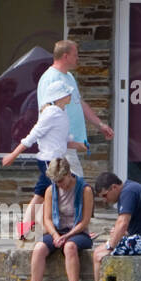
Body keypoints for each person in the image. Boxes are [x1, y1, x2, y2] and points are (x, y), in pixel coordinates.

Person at [3, 79, 86, 239]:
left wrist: (79, 145)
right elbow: (33, 135)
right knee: (52, 193)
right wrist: (13, 155)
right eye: (67, 93)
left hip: (54, 159)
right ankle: (38, 228)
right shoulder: (51, 113)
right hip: (50, 160)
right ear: (60, 96)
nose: (70, 95)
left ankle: (30, 229)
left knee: (43, 194)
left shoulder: (60, 112)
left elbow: (60, 139)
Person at [35, 39, 114, 183]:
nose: (78, 58)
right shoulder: (49, 79)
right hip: (61, 148)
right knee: (75, 188)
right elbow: (45, 114)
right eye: (75, 55)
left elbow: (79, 103)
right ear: (65, 56)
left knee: (62, 190)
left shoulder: (69, 77)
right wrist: (65, 143)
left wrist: (100, 125)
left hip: (68, 145)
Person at [26, 156, 95, 281]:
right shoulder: (51, 190)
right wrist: (56, 235)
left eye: (62, 181)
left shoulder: (85, 190)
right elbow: (47, 219)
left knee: (70, 247)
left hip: (78, 232)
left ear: (69, 173)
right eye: (56, 182)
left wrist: (67, 235)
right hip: (57, 231)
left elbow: (84, 221)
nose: (60, 185)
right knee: (38, 249)